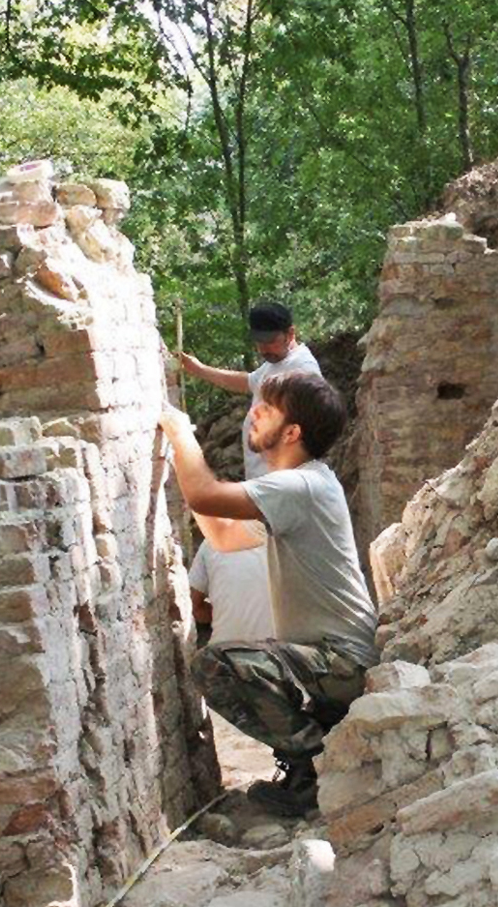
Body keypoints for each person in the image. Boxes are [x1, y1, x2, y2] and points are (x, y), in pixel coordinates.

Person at [160, 371, 376, 818]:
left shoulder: (301, 485)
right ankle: (319, 753)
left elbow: (205, 493)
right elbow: (221, 535)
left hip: (342, 663)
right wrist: (189, 476)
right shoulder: (303, 487)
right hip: (328, 661)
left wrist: (179, 432)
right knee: (240, 661)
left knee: (217, 664)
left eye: (267, 408)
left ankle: (314, 772)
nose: (253, 413)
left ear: (292, 431)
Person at [177, 300, 323, 480]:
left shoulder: (302, 368)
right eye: (259, 342)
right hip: (265, 479)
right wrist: (200, 370)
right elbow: (248, 382)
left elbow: (309, 429)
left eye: (270, 341)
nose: (263, 349)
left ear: (290, 333)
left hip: (283, 481)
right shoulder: (276, 362)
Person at [187, 518, 276, 649]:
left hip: (225, 657)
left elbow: (193, 607)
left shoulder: (213, 540)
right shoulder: (294, 544)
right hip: (279, 656)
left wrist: (225, 614)